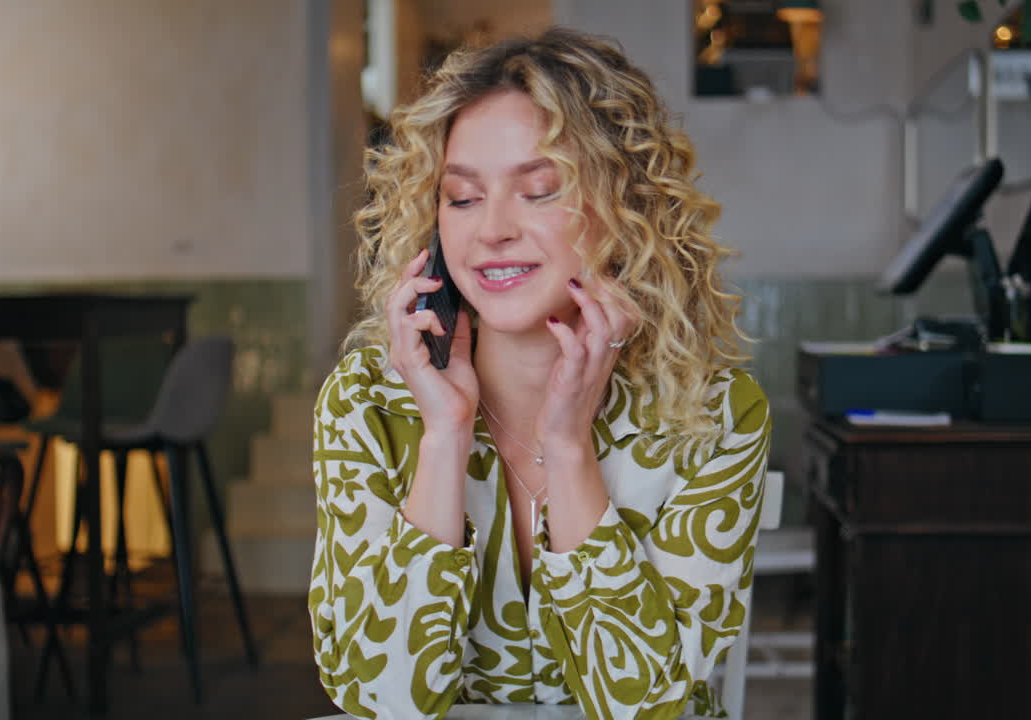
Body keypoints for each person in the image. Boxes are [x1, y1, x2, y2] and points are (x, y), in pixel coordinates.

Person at [309, 27, 771, 720]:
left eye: (541, 190)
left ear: (627, 210)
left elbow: (645, 707)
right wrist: (443, 435)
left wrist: (568, 448)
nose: (491, 229)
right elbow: (381, 701)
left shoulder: (714, 412)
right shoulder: (367, 401)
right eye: (461, 197)